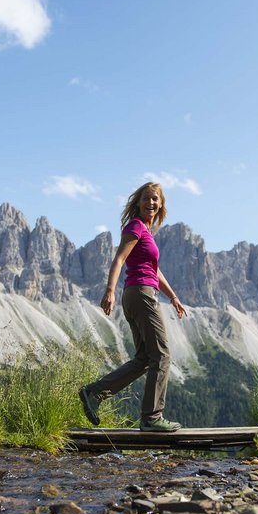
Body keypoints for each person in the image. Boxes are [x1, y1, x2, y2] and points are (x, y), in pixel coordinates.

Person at [79, 181, 187, 432]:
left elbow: (154, 270)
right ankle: (152, 417)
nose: (151, 203)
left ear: (161, 205)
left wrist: (173, 297)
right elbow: (119, 258)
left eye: (155, 199)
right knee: (161, 354)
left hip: (139, 293)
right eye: (147, 198)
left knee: (144, 358)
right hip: (141, 294)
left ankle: (94, 393)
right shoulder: (136, 226)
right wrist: (109, 291)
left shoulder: (147, 232)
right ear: (138, 202)